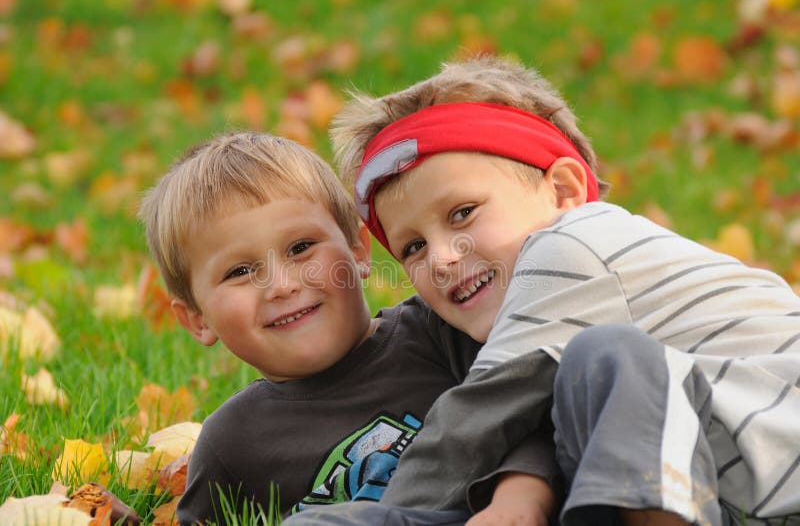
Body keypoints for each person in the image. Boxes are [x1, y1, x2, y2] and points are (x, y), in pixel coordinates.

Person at [287, 55, 800, 525]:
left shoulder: (574, 244)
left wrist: (390, 512)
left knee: (605, 358)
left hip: (776, 473)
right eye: (414, 247)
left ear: (564, 190)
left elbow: (474, 424)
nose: (442, 258)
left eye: (463, 213)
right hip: (708, 492)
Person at [137, 131, 559, 525]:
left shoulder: (439, 333)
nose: (282, 286)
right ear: (197, 319)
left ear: (358, 248)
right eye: (240, 271)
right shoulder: (232, 444)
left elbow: (528, 416)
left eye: (301, 248)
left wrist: (519, 497)